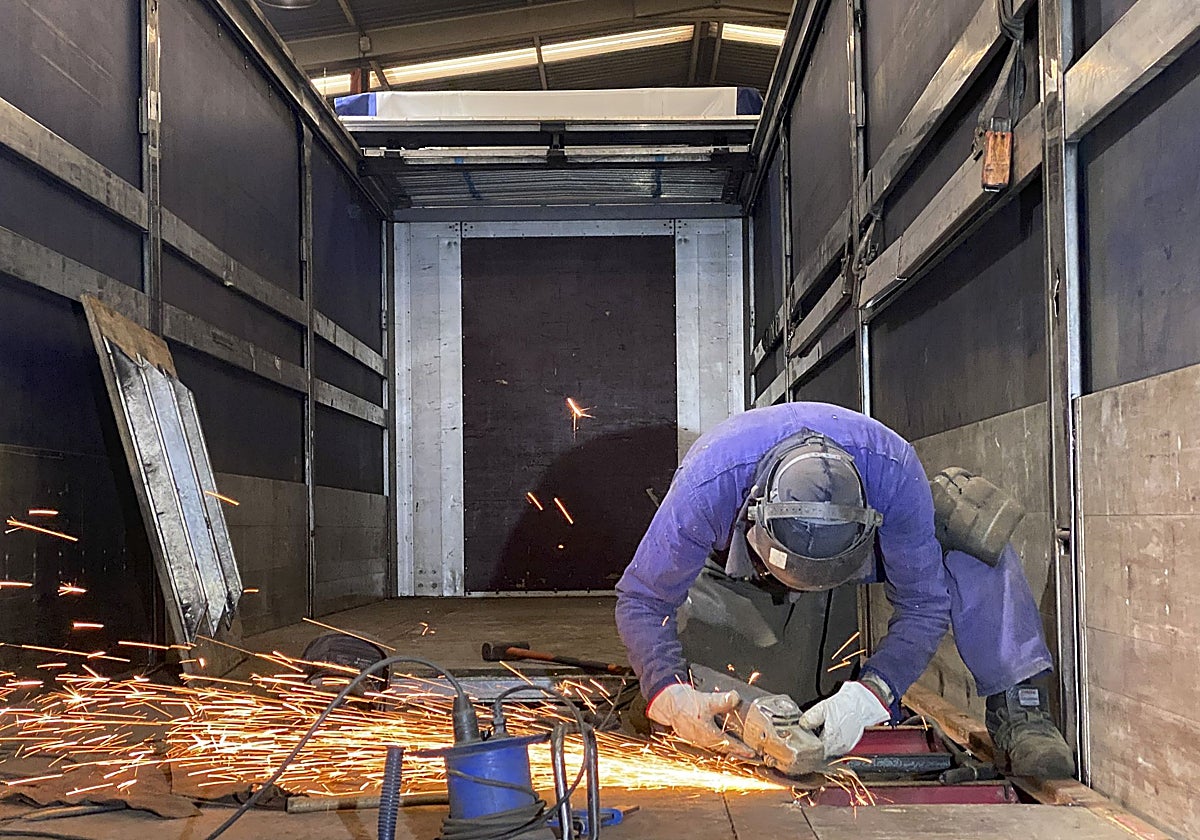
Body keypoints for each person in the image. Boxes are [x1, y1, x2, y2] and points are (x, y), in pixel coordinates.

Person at [615, 402, 1074, 777]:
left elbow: (924, 604)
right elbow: (642, 599)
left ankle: (1021, 704)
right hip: (740, 576)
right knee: (711, 701)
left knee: (969, 524)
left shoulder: (894, 475)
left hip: (854, 555)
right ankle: (679, 683)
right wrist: (665, 689)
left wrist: (876, 690)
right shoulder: (709, 483)